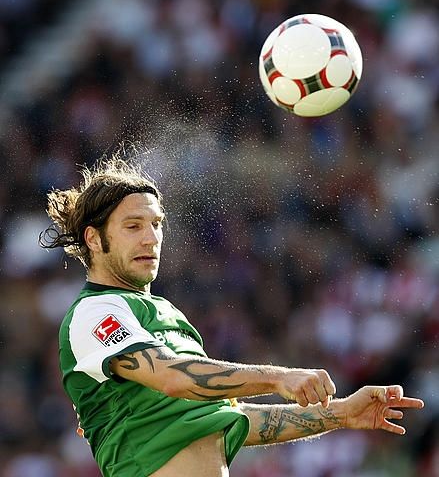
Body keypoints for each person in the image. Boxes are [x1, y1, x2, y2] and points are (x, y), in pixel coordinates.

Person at [41, 155, 424, 477]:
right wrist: (278, 377)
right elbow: (174, 377)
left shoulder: (166, 315)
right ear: (94, 239)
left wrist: (342, 413)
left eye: (156, 224)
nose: (151, 238)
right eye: (133, 226)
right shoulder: (93, 313)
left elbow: (232, 420)